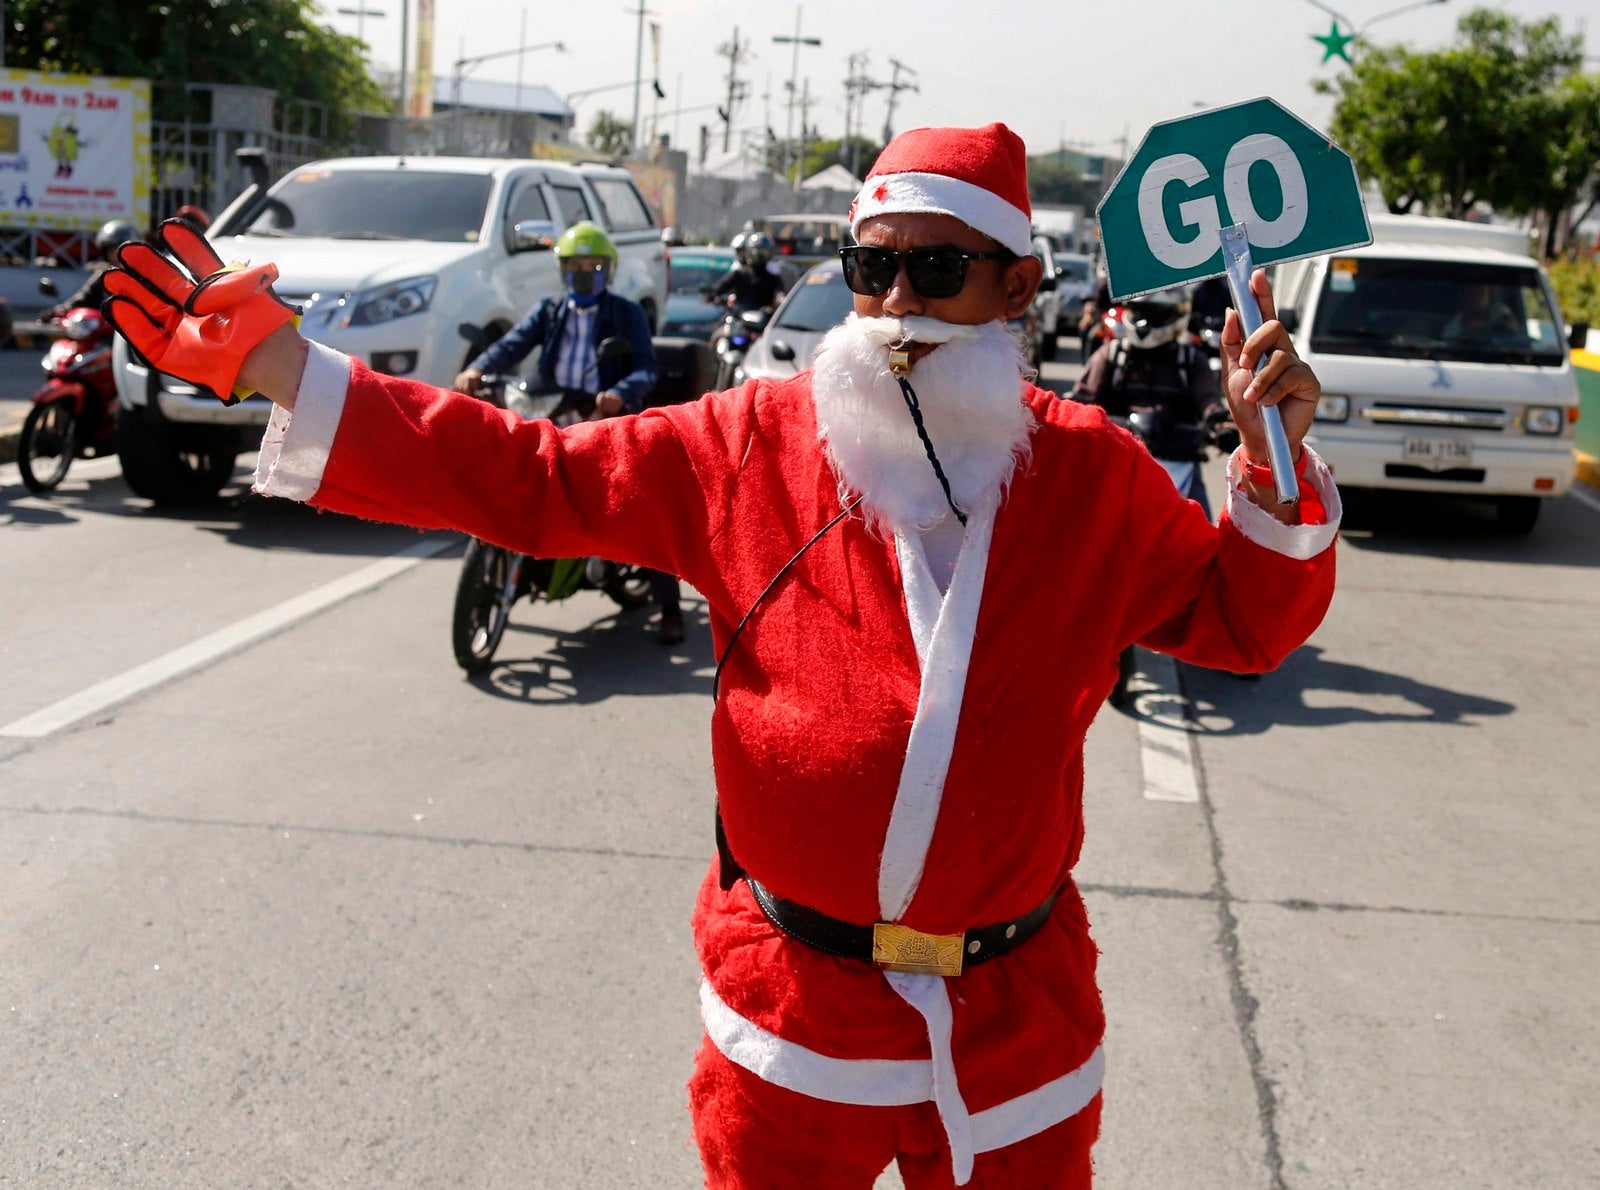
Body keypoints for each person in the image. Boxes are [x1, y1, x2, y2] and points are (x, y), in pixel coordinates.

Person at [102, 122, 1340, 1189]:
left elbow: (1243, 623)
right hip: (791, 1012)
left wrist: (1273, 468)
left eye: (938, 269)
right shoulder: (753, 437)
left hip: (1015, 1022)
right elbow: (530, 479)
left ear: (1016, 290)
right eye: (873, 267)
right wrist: (281, 365)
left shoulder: (1091, 475)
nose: (897, 305)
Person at [449, 220, 686, 645]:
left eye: (593, 268)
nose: (582, 275)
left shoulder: (626, 314)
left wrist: (617, 392)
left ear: (607, 272)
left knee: (644, 503)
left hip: (603, 416)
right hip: (553, 410)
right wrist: (477, 368)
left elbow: (645, 368)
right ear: (562, 272)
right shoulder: (549, 311)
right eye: (574, 267)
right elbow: (513, 344)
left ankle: (670, 607)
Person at [1074, 290, 1227, 515]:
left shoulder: (1192, 360)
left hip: (1180, 460)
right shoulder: (1112, 354)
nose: (1145, 321)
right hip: (1117, 459)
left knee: (1205, 540)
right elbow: (1083, 399)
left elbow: (1209, 400)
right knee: (1079, 519)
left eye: (1155, 313)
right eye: (1140, 311)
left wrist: (1222, 426)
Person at [44, 219, 140, 320]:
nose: (117, 255)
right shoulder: (103, 277)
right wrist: (59, 311)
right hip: (106, 332)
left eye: (122, 250)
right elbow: (81, 299)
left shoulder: (144, 278)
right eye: (112, 250)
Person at [710, 230, 786, 312]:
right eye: (756, 252)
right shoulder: (739, 274)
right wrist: (711, 294)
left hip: (762, 318)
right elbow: (719, 288)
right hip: (738, 316)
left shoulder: (772, 275)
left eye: (763, 252)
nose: (759, 256)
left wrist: (780, 299)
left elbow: (780, 292)